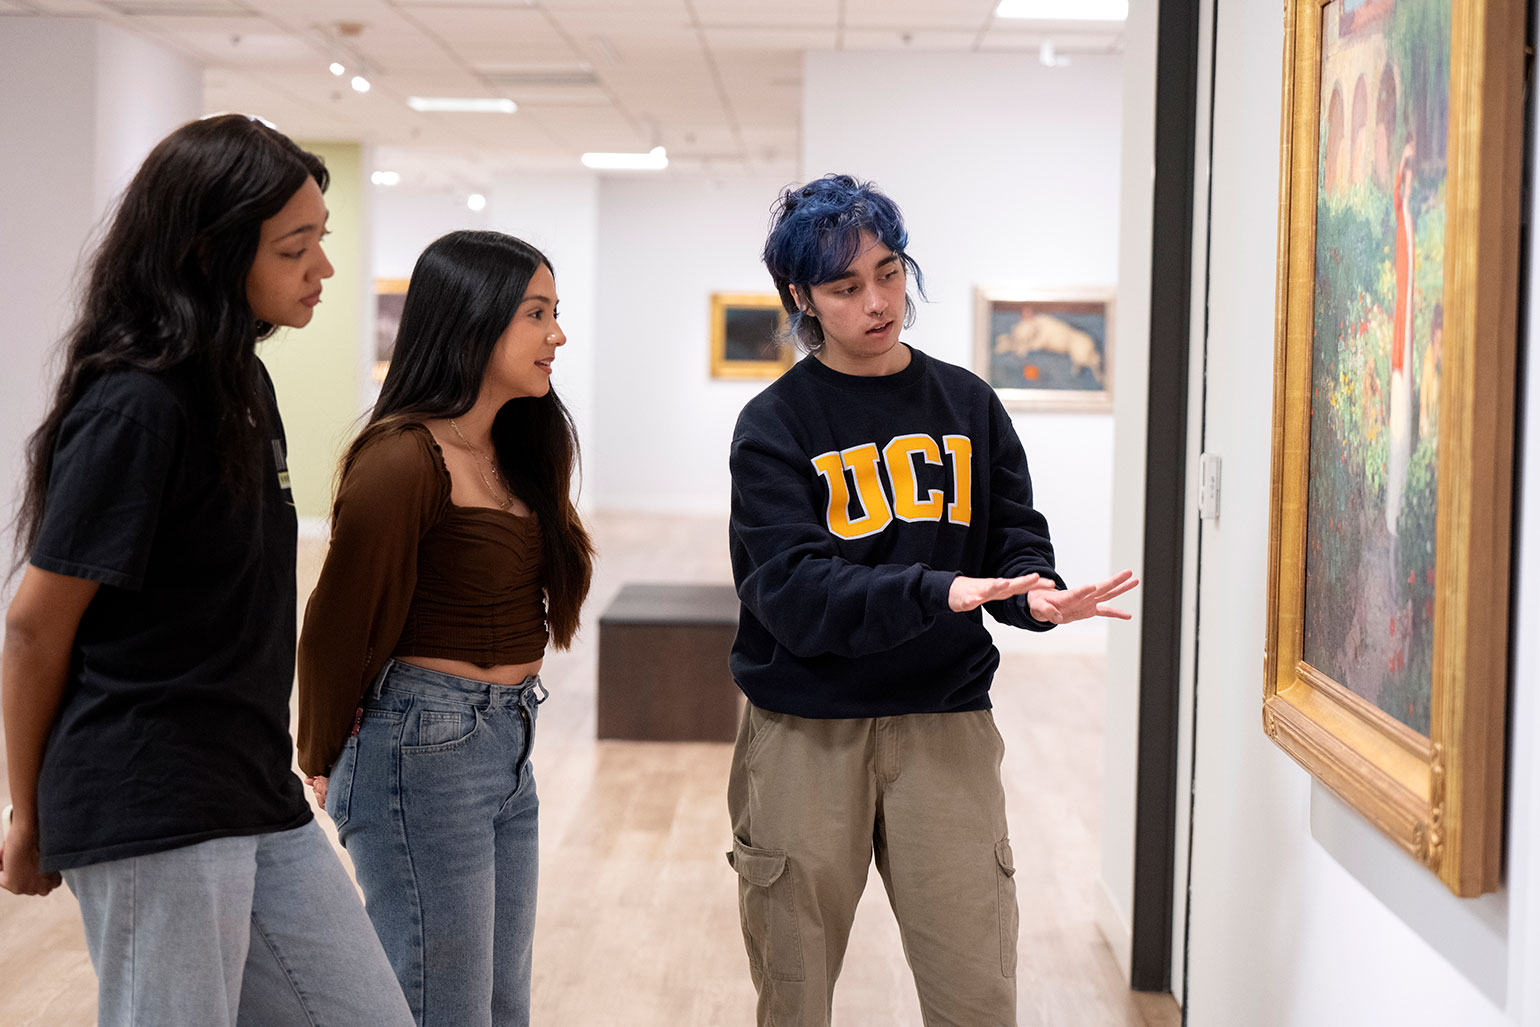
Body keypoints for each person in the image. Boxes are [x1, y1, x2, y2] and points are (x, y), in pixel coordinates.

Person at [0, 114, 413, 1027]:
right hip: (154, 796)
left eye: (322, 242)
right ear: (208, 253)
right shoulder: (137, 405)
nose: (323, 270)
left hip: (249, 785)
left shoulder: (241, 382)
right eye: (295, 248)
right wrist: (27, 814)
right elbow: (34, 624)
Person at [726, 173, 1138, 1026]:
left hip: (944, 726)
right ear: (803, 297)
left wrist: (1037, 599)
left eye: (889, 272)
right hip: (807, 731)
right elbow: (792, 591)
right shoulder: (775, 424)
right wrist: (939, 588)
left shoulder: (967, 404)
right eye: (846, 287)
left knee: (978, 996)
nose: (878, 302)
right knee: (794, 997)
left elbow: (1012, 542)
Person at [296, 229, 595, 1027]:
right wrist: (319, 750)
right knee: (441, 1007)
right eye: (537, 314)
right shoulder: (402, 459)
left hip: (505, 739)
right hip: (420, 747)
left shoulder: (516, 444)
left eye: (555, 313)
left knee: (500, 1005)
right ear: (473, 318)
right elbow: (335, 617)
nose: (556, 335)